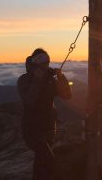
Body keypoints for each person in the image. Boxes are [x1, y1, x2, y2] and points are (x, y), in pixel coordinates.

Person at [17, 48, 72, 180]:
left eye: (47, 62)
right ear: (35, 63)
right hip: (32, 130)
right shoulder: (24, 80)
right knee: (49, 162)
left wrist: (61, 77)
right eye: (42, 63)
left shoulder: (50, 80)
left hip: (48, 129)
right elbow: (29, 100)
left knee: (41, 162)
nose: (46, 66)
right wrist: (37, 80)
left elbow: (67, 95)